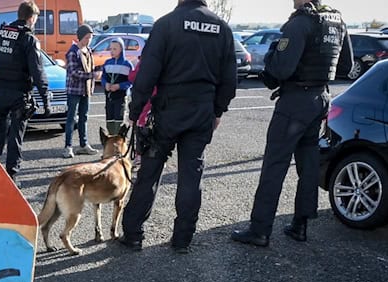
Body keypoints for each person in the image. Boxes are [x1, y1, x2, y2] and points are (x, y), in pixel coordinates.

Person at [119, 0, 237, 253]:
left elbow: (147, 72)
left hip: (168, 110)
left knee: (149, 171)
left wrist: (135, 110)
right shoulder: (222, 28)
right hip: (202, 110)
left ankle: (133, 234)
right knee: (191, 175)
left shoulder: (167, 24)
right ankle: (183, 239)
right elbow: (230, 80)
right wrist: (217, 111)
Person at [231, 0, 352, 247]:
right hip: (320, 99)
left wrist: (273, 57)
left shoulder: (300, 23)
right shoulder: (336, 21)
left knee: (275, 165)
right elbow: (346, 66)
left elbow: (281, 70)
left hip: (295, 101)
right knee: (307, 166)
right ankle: (300, 225)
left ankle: (260, 230)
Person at [0, 1, 51, 181]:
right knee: (15, 136)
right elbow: (37, 70)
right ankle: (12, 175)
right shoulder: (28, 39)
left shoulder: (0, 33)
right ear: (32, 18)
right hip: (19, 94)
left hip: (0, 92)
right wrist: (45, 98)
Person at [62, 24, 99, 159]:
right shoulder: (73, 51)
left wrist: (93, 78)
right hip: (74, 90)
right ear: (81, 37)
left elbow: (91, 68)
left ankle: (84, 145)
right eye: (87, 37)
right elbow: (73, 72)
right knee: (71, 119)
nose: (89, 40)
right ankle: (68, 147)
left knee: (84, 118)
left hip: (86, 90)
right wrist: (91, 75)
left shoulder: (88, 50)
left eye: (90, 37)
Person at [101, 38, 134, 136]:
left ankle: (120, 139)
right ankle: (111, 138)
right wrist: (105, 84)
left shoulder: (127, 64)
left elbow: (131, 81)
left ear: (121, 49)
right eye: (110, 49)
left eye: (115, 49)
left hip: (120, 97)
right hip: (109, 97)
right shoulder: (107, 63)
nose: (112, 51)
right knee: (110, 120)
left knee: (118, 120)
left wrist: (120, 86)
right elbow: (103, 77)